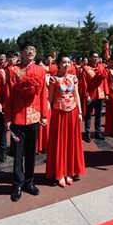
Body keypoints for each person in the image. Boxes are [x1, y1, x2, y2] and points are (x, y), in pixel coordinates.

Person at [5, 41, 49, 202]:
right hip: (17, 117)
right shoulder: (13, 70)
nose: (31, 52)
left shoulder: (40, 70)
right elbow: (8, 95)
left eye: (33, 49)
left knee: (31, 152)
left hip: (35, 116)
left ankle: (29, 182)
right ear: (22, 52)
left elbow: (43, 94)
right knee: (17, 152)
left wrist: (44, 115)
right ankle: (17, 183)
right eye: (27, 49)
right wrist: (8, 118)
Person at [46, 53, 85, 187]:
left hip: (73, 113)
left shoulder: (74, 78)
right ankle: (60, 173)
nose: (66, 65)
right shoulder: (53, 80)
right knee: (60, 143)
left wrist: (80, 112)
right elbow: (49, 99)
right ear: (58, 64)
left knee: (71, 143)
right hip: (59, 114)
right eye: (63, 62)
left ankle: (70, 171)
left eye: (68, 62)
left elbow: (77, 96)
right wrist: (45, 115)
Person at [82, 51, 108, 142]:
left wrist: (106, 93)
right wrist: (86, 95)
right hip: (90, 94)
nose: (95, 59)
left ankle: (98, 132)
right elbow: (84, 84)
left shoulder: (102, 67)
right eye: (93, 57)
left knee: (98, 114)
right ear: (89, 57)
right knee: (88, 115)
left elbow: (104, 81)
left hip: (100, 94)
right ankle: (88, 133)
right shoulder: (85, 68)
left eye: (97, 57)